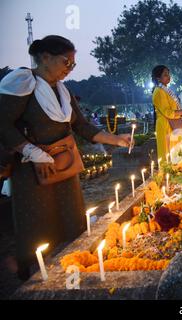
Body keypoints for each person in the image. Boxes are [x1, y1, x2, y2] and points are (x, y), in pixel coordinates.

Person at [0, 35, 132, 280]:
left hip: (64, 165)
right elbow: (3, 124)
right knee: (37, 224)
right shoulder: (22, 83)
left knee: (71, 217)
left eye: (73, 64)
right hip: (32, 170)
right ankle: (35, 278)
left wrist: (117, 139)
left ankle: (71, 268)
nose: (69, 69)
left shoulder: (63, 91)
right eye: (66, 62)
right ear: (45, 58)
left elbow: (82, 126)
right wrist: (33, 152)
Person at [151, 65, 182, 161]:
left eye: (168, 74)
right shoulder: (159, 92)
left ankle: (179, 173)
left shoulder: (166, 90)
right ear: (158, 78)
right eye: (165, 74)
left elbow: (173, 109)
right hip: (166, 125)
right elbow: (168, 113)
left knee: (177, 154)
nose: (168, 76)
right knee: (168, 153)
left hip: (173, 124)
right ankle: (169, 174)